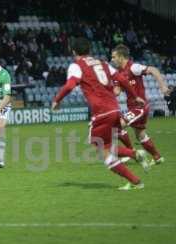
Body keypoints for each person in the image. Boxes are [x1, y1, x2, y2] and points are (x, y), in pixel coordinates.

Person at [52, 38, 150, 190]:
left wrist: (56, 101)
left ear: (73, 52)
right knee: (107, 147)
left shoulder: (76, 66)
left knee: (104, 152)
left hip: (101, 112)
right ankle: (135, 156)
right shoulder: (103, 63)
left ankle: (136, 180)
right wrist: (135, 95)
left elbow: (70, 85)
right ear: (89, 50)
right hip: (115, 109)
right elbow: (121, 78)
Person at [111, 44, 170, 166]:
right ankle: (157, 157)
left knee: (116, 126)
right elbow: (116, 92)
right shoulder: (118, 74)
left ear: (121, 57)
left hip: (140, 107)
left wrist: (163, 86)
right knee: (141, 136)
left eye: (114, 57)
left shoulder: (133, 67)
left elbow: (153, 70)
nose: (112, 59)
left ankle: (131, 153)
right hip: (133, 108)